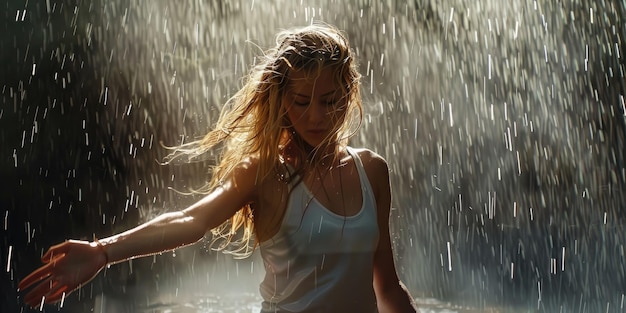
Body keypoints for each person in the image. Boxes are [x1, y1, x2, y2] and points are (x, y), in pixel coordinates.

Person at [18, 23, 418, 313]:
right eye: (300, 100)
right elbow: (191, 221)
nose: (316, 116)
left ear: (348, 96)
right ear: (281, 101)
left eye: (329, 101)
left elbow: (387, 286)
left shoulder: (372, 171)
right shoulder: (265, 173)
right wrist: (103, 252)